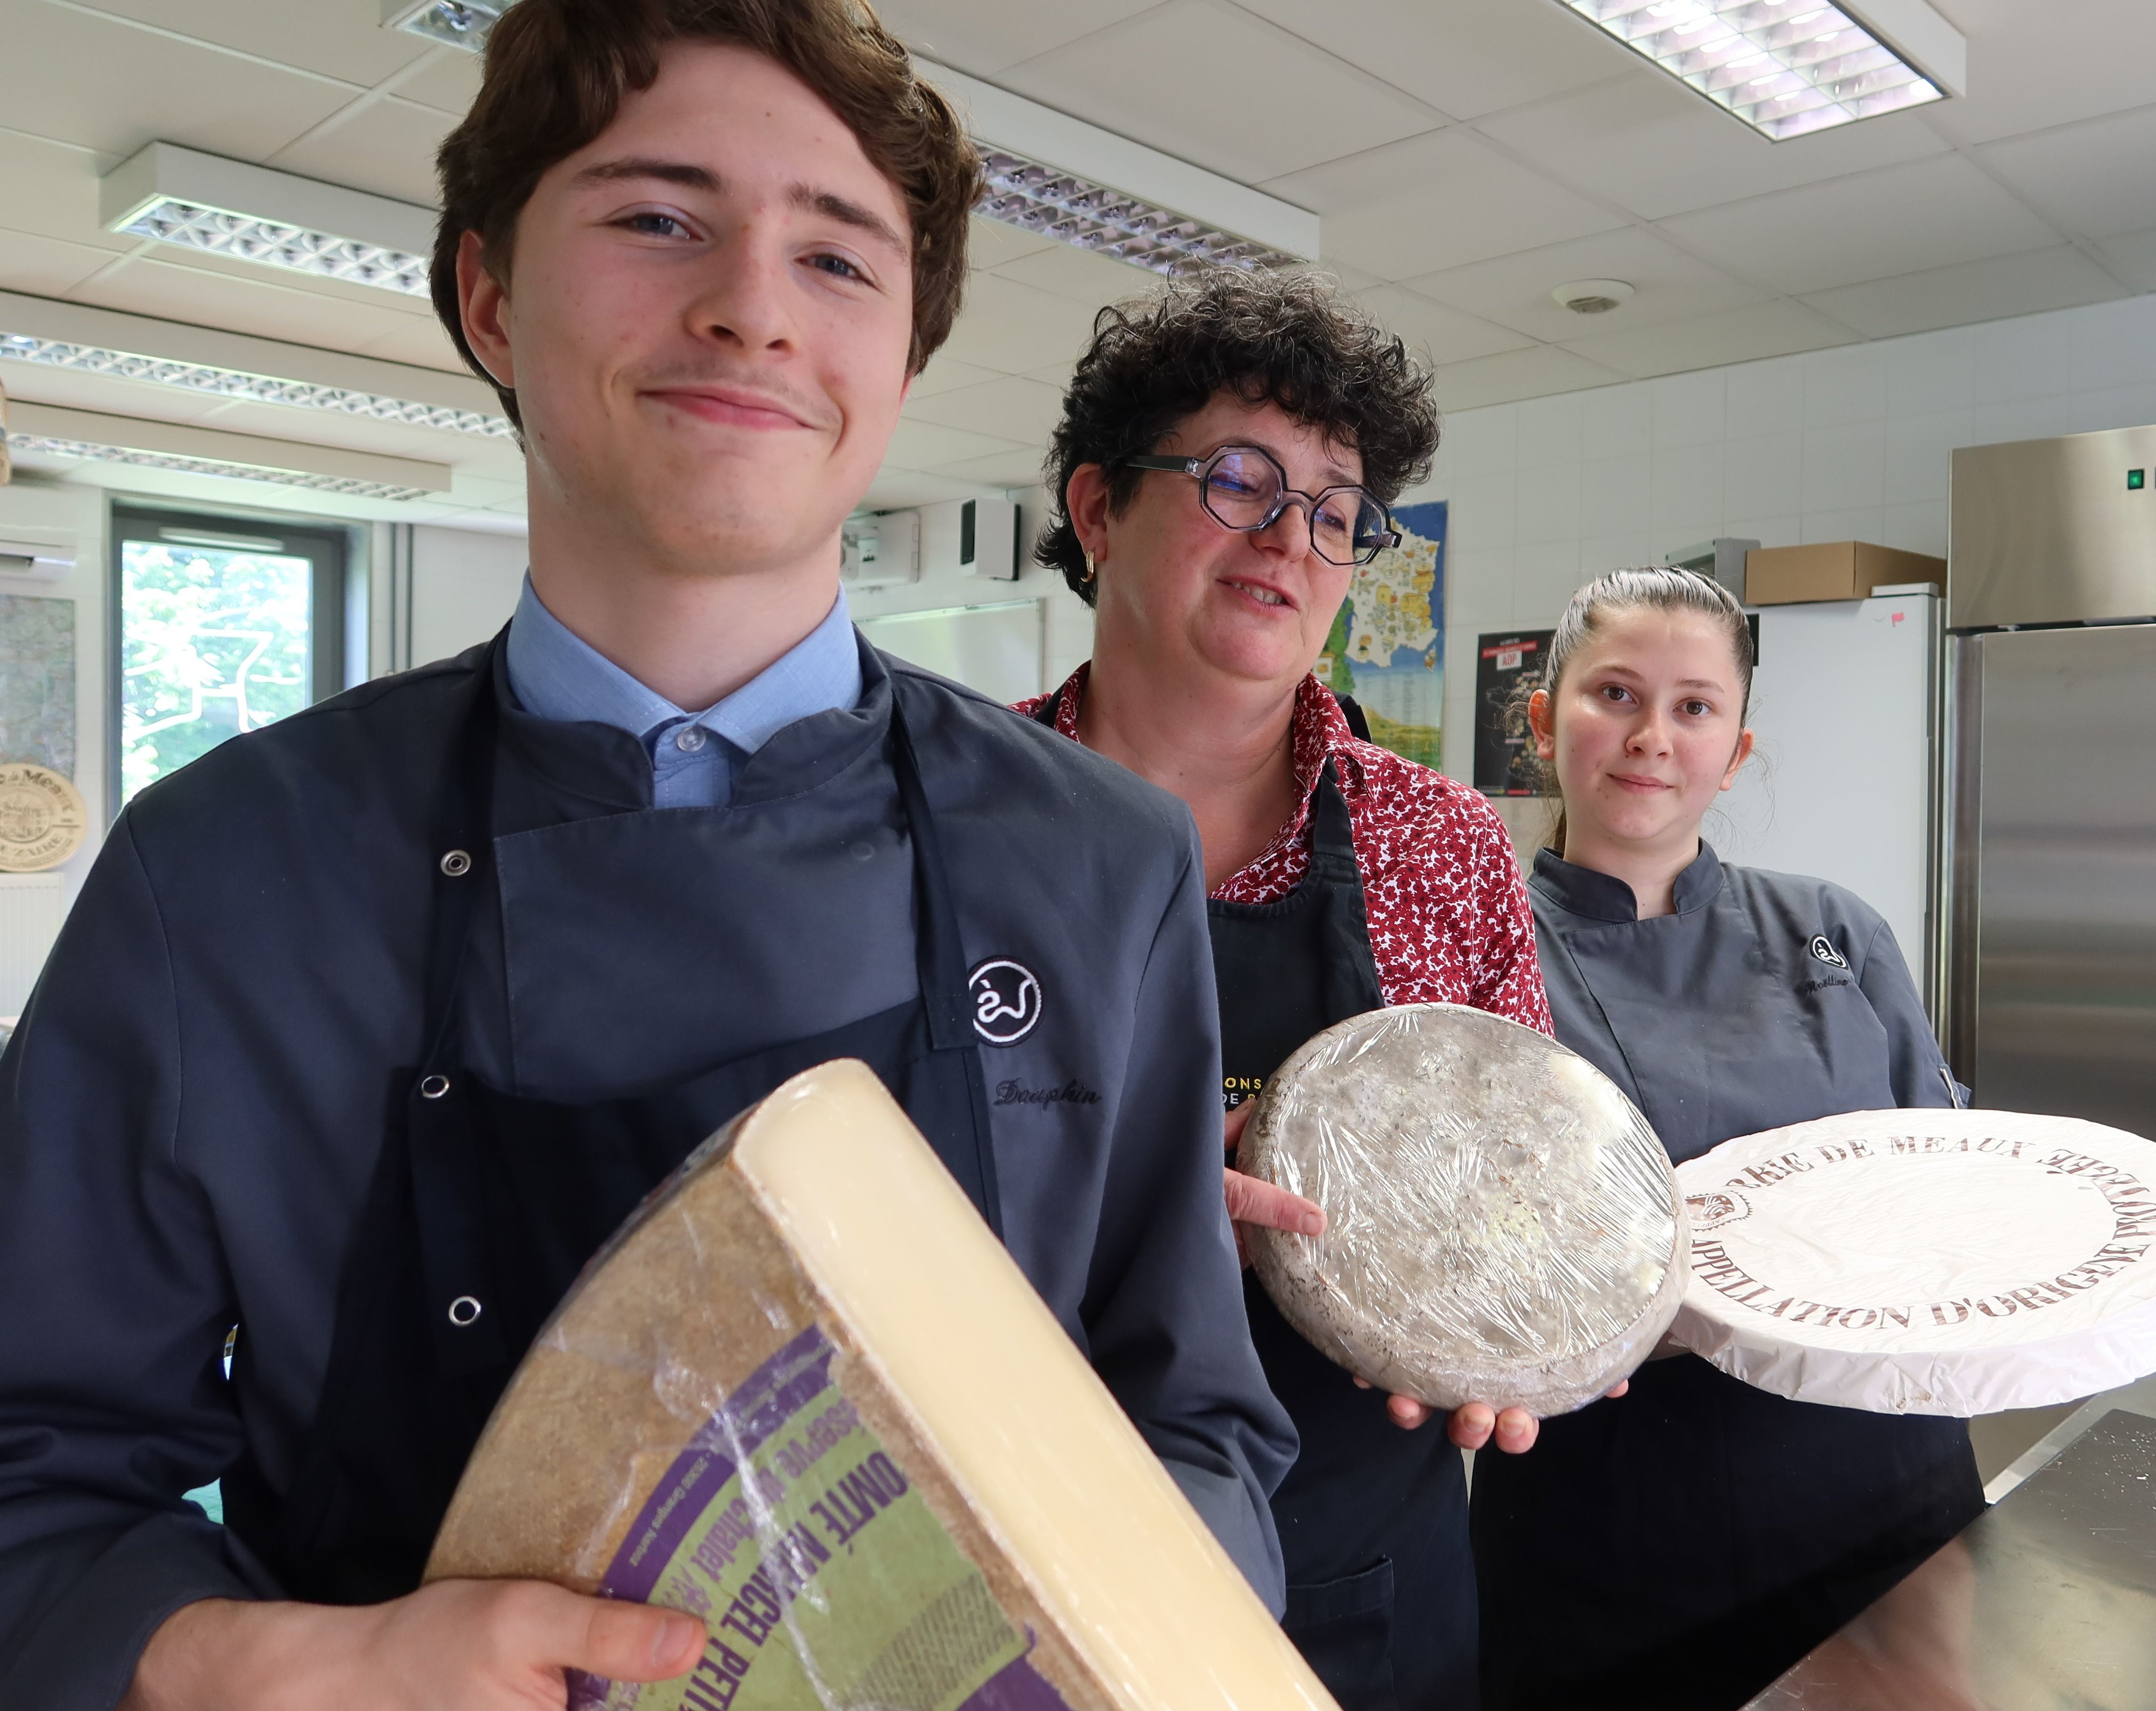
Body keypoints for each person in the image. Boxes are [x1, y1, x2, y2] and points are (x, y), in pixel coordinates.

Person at [0, 4, 1298, 1706]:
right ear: (487, 294)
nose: (751, 305)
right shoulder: (225, 874)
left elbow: (1189, 1418)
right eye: (655, 217)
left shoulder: (1099, 860)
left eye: (838, 259)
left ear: (905, 361)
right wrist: (283, 1668)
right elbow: (35, 1481)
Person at [1017, 270, 1557, 1711]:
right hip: (1017, 1547)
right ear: (1095, 509)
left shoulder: (1439, 842)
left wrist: (1507, 1329)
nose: (1291, 540)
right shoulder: (952, 819)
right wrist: (1110, 1184)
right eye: (1239, 480)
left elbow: (1520, 1181)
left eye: (1334, 509)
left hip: (1364, 1578)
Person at [1468, 567, 1985, 1709]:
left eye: (1695, 706)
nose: (1654, 736)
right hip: (1614, 1523)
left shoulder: (1834, 928)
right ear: (1543, 720)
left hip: (1883, 1492)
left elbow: (1945, 1185)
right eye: (1616, 693)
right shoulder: (1481, 960)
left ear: (1736, 748)